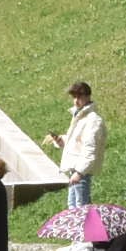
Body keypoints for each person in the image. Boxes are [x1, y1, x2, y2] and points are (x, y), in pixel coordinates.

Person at [50, 81, 104, 210]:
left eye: (79, 97)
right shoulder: (79, 116)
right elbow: (77, 142)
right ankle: (83, 229)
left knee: (81, 207)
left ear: (87, 96)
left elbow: (91, 150)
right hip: (74, 169)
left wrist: (79, 173)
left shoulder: (93, 120)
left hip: (81, 170)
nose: (76, 101)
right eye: (74, 97)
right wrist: (61, 141)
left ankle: (88, 229)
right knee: (72, 206)